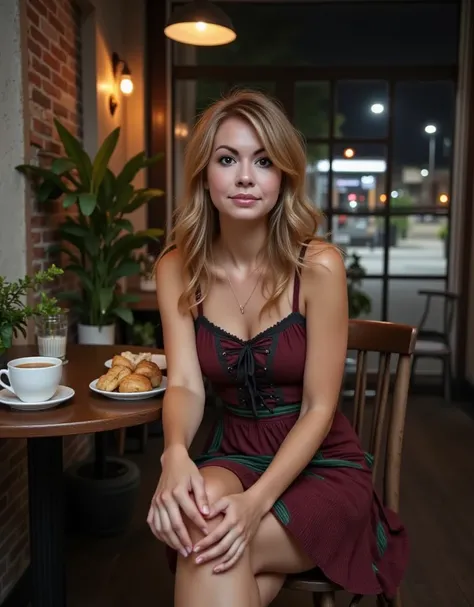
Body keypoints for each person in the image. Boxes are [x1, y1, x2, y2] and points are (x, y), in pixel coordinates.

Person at [147, 90, 408, 607]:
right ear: (204, 173)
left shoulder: (318, 266)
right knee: (207, 529)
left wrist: (253, 503)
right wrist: (173, 455)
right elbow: (182, 384)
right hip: (235, 448)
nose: (246, 177)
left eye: (263, 161)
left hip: (320, 462)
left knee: (204, 545)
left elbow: (319, 408)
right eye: (228, 159)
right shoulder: (176, 266)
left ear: (284, 175)